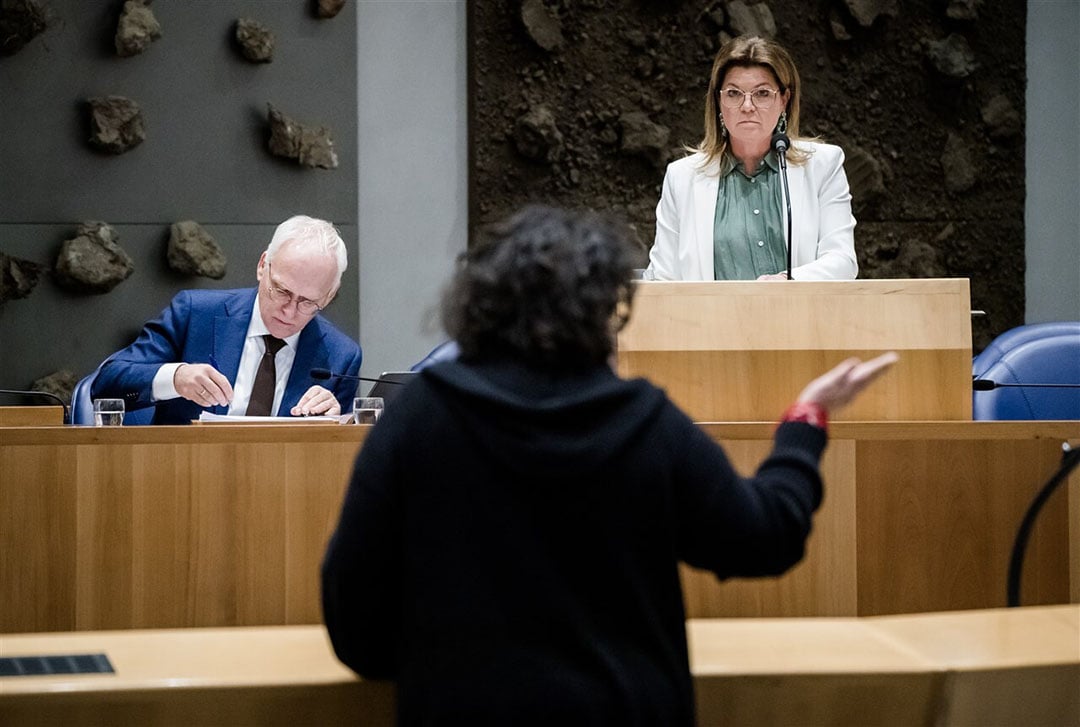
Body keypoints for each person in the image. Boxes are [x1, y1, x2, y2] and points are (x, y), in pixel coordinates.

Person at [321, 205, 896, 726]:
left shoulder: (419, 415)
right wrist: (806, 420)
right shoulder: (647, 423)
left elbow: (353, 616)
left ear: (482, 304)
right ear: (603, 313)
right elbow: (763, 536)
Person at [92, 215, 363, 425]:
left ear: (328, 296)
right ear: (262, 267)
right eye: (281, 291)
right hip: (183, 479)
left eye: (308, 302)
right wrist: (176, 378)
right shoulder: (195, 313)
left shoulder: (340, 356)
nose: (289, 311)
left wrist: (335, 424)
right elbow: (105, 387)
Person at [647, 35, 858, 281]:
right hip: (711, 319)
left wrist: (786, 281)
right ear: (719, 100)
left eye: (762, 93)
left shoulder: (823, 166)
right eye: (734, 94)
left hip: (800, 316)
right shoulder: (682, 177)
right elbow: (663, 277)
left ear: (784, 100)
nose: (747, 106)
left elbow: (842, 260)